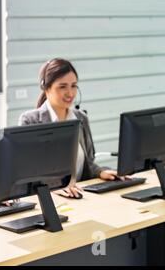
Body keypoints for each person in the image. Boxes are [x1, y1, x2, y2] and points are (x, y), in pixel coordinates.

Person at [18, 58, 124, 199]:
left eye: (73, 86)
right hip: (48, 199)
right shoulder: (30, 121)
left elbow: (88, 163)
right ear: (46, 87)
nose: (70, 93)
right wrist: (55, 186)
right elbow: (28, 173)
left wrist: (100, 172)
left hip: (81, 195)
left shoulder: (80, 118)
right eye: (62, 87)